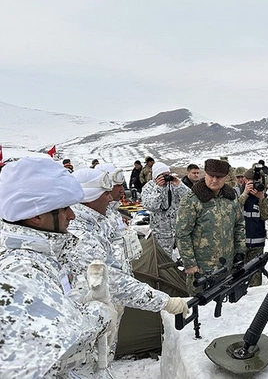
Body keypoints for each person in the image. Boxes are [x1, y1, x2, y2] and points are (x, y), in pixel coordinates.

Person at [0, 157, 112, 377]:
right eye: (63, 208)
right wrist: (100, 310)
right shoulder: (22, 270)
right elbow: (66, 342)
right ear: (36, 217)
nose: (72, 215)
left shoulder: (42, 255)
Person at [67, 168, 189, 364]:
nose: (111, 198)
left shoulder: (98, 220)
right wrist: (166, 302)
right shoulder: (81, 233)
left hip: (109, 303)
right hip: (92, 314)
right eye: (106, 193)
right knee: (92, 362)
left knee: (104, 355)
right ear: (89, 197)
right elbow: (112, 280)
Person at [176, 159, 246, 295]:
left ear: (226, 177)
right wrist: (189, 263)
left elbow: (239, 225)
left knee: (225, 306)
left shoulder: (230, 198)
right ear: (205, 174)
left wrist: (239, 252)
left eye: (219, 177)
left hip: (227, 265)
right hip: (201, 268)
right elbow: (182, 233)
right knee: (200, 308)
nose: (214, 180)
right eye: (211, 176)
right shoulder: (192, 199)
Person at [142, 162, 190, 256]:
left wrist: (180, 185)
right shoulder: (149, 187)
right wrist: (159, 189)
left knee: (184, 259)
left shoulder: (174, 185)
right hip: (161, 234)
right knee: (165, 259)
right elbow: (151, 206)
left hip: (179, 232)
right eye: (163, 175)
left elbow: (189, 199)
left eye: (168, 174)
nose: (166, 178)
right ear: (156, 176)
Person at [239, 168, 268, 287]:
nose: (255, 185)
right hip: (240, 244)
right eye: (252, 182)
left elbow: (267, 215)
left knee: (255, 278)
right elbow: (233, 212)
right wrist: (245, 194)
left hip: (257, 243)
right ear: (245, 180)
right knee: (237, 278)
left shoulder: (262, 196)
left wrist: (261, 198)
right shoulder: (236, 193)